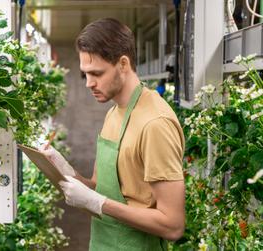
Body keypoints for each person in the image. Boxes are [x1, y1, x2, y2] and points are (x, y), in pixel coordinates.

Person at [41, 18, 185, 250]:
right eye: (85, 74)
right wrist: (66, 171)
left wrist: (98, 203)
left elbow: (173, 225)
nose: (89, 83)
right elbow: (101, 187)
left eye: (97, 73)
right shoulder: (113, 113)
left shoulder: (155, 123)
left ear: (123, 64)